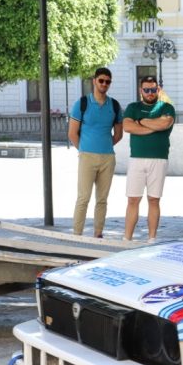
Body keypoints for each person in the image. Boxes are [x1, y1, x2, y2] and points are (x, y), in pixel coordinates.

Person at [68, 67, 123, 238]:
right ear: (94, 81)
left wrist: (104, 145)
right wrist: (85, 149)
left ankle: (98, 234)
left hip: (108, 158)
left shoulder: (114, 105)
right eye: (101, 80)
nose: (104, 84)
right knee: (83, 198)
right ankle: (77, 235)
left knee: (102, 200)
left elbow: (119, 134)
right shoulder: (82, 104)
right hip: (87, 157)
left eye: (107, 81)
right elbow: (72, 133)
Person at [122, 75, 176, 243]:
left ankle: (152, 238)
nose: (150, 93)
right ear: (141, 91)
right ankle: (127, 239)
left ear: (158, 90)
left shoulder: (167, 107)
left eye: (153, 90)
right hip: (136, 159)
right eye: (147, 90)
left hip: (159, 159)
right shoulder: (133, 107)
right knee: (133, 199)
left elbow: (164, 124)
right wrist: (153, 126)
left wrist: (142, 121)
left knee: (154, 199)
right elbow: (127, 126)